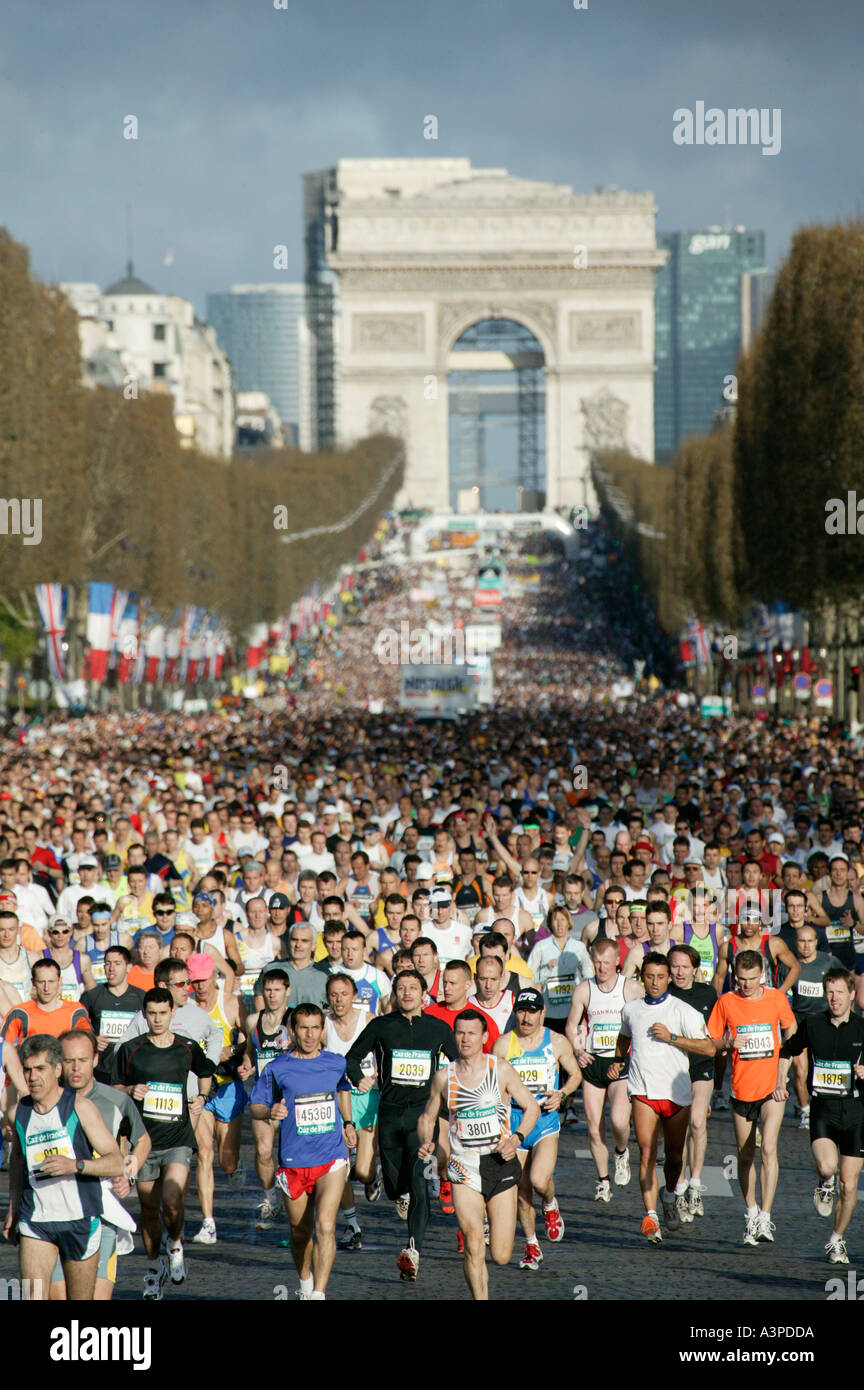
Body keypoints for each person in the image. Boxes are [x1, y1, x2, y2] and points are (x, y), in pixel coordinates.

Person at [344, 969, 458, 1282]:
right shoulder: (381, 1026)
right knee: (396, 1186)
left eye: (413, 987)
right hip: (391, 1113)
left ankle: (413, 1251)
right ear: (394, 994)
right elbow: (351, 1059)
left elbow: (461, 1063)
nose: (407, 993)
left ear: (424, 992)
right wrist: (359, 1078)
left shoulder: (438, 1028)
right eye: (401, 988)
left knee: (420, 1181)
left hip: (424, 1115)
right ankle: (394, 1187)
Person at [418, 1009, 539, 1301]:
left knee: (499, 1254)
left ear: (485, 1037)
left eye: (472, 1033)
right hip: (464, 1165)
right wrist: (427, 1142)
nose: (465, 1038)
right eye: (460, 1032)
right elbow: (428, 1116)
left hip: (500, 1163)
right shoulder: (444, 1076)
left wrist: (517, 1137)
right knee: (473, 1241)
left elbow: (532, 1107)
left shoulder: (501, 1069)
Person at [110, 986, 216, 1298]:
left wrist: (201, 1097)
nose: (157, 1019)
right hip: (144, 1142)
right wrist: (130, 1091)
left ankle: (176, 1243)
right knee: (147, 1208)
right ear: (144, 1014)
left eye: (163, 1013)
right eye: (152, 1013)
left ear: (172, 1013)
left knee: (172, 1198)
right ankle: (155, 1266)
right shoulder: (131, 1049)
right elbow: (114, 1087)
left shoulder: (186, 1047)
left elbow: (206, 1071)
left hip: (178, 1138)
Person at [3, 1032, 123, 1301]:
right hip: (36, 1221)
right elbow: (18, 1161)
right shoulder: (17, 1113)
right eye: (28, 1070)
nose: (33, 1077)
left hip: (80, 1219)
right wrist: (13, 1208)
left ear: (57, 1069)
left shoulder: (81, 1107)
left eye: (41, 1069)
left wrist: (75, 1165)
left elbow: (115, 1162)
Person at [249, 1002, 354, 1300]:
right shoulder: (277, 1068)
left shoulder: (335, 1062)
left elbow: (343, 1088)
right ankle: (305, 1282)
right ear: (292, 1031)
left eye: (315, 1028)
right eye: (303, 1028)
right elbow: (255, 1106)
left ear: (323, 1031)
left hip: (331, 1157)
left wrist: (348, 1123)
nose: (309, 1035)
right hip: (294, 1161)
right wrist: (271, 1109)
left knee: (325, 1225)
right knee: (299, 1232)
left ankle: (319, 1294)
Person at [608, 953, 715, 1243]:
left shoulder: (682, 1011)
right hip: (642, 1091)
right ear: (642, 977)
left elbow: (709, 1048)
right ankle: (651, 1216)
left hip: (676, 1094)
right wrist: (619, 1059)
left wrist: (672, 1038)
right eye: (649, 976)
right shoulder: (630, 1010)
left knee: (674, 1157)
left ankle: (669, 1196)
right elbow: (624, 1036)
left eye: (660, 976)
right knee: (646, 1152)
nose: (655, 982)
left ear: (668, 978)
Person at [51, 1028, 151, 1301]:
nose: (75, 1068)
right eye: (69, 1060)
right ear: (59, 1062)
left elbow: (142, 1141)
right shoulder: (46, 1102)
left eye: (82, 1060)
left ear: (95, 1060)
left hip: (102, 1210)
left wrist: (127, 1174)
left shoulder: (117, 1100)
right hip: (55, 1210)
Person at [705, 950, 797, 1246]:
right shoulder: (726, 1002)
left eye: (752, 979)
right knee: (745, 1154)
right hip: (741, 1090)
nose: (746, 985)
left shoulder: (776, 999)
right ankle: (751, 1213)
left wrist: (784, 1071)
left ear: (762, 975)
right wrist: (728, 1043)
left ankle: (766, 1218)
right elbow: (711, 1041)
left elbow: (792, 1032)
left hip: (772, 1089)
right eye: (741, 979)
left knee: (768, 1148)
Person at [778, 967, 864, 1265]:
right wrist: (780, 1082)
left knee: (849, 1184)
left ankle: (837, 1239)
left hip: (856, 1112)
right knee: (828, 1168)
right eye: (830, 992)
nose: (834, 998)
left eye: (840, 992)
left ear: (852, 994)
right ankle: (823, 1182)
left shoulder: (862, 1029)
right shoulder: (813, 1024)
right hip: (823, 1110)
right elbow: (786, 1051)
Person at [493, 987, 581, 1271]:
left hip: (544, 1121)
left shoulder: (556, 1041)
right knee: (521, 1189)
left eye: (532, 1012)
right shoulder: (504, 1044)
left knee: (540, 1180)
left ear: (543, 1013)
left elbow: (576, 1074)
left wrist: (563, 1094)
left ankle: (551, 1203)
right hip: (516, 1121)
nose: (526, 1017)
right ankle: (531, 1245)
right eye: (521, 1011)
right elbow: (498, 1088)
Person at [566, 937, 642, 1202]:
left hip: (620, 1062)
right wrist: (578, 1050)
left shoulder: (630, 989)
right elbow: (572, 1024)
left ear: (617, 962)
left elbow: (643, 1022)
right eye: (597, 963)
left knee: (620, 1121)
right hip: (594, 1063)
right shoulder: (584, 990)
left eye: (607, 963)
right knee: (594, 1128)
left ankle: (621, 1151)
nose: (601, 968)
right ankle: (602, 1180)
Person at [188, 952, 249, 1245]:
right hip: (199, 1091)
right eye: (195, 981)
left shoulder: (230, 1004)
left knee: (226, 1162)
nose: (200, 986)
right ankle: (208, 1223)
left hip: (227, 1087)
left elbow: (250, 1039)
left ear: (214, 978)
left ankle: (237, 1167)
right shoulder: (185, 1008)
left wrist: (234, 1052)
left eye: (204, 980)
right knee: (204, 1152)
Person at [324, 972, 381, 1250]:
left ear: (354, 996)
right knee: (341, 1168)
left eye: (344, 994)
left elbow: (386, 1052)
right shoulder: (323, 1026)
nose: (339, 1000)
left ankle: (373, 1174)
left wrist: (377, 1074)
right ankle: (352, 1224)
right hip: (336, 1100)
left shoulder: (368, 1020)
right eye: (333, 995)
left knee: (363, 1169)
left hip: (367, 1098)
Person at [238, 967, 294, 1229]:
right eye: (267, 990)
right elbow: (250, 1050)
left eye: (277, 990)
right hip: (263, 1091)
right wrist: (247, 1065)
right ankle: (271, 1197)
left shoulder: (295, 1019)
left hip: (293, 1093)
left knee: (291, 1153)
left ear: (287, 992)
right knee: (262, 1150)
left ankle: (296, 1197)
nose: (272, 996)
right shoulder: (252, 1021)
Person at [667, 943, 718, 1218]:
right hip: (673, 1069)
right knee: (681, 1130)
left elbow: (716, 1033)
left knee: (698, 1122)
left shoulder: (707, 992)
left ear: (696, 969)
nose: (680, 972)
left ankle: (696, 1185)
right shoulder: (664, 995)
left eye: (685, 967)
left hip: (701, 1066)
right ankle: (680, 1186)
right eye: (675, 966)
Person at [80, 945, 147, 1082]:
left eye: (117, 963)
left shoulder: (142, 998)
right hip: (100, 1072)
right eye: (107, 963)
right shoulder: (90, 997)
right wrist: (92, 1041)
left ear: (128, 967)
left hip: (131, 1070)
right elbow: (77, 1031)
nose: (111, 968)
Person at [1, 958, 91, 1045]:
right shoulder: (19, 1013)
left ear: (60, 982)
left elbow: (89, 1044)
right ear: (33, 982)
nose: (46, 988)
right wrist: (22, 1047)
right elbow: (3, 1049)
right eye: (41, 982)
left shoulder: (76, 1012)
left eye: (51, 982)